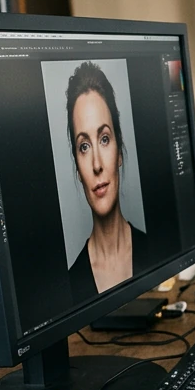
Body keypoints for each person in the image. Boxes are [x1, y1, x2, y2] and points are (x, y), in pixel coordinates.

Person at [65, 61, 149, 299]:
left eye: (104, 139)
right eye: (84, 146)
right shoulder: (70, 285)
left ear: (119, 151)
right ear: (77, 167)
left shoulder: (157, 254)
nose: (97, 164)